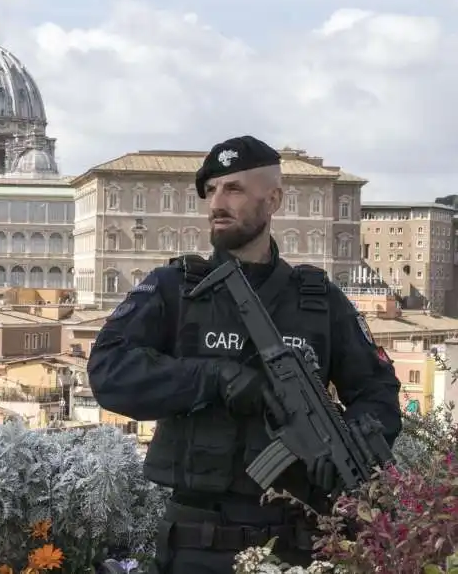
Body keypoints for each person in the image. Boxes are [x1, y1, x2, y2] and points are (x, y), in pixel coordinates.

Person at [87, 136, 402, 574]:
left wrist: (350, 441)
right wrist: (214, 378)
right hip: (198, 542)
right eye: (211, 190)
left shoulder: (318, 300)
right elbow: (108, 372)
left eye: (233, 189)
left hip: (301, 542)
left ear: (273, 199)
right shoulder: (174, 289)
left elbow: (379, 391)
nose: (217, 201)